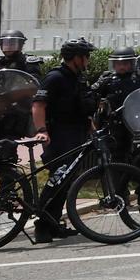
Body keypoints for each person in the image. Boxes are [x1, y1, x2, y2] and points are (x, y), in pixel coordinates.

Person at [31, 38, 94, 242]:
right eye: (86, 56)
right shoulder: (55, 78)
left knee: (65, 182)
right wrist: (42, 130)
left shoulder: (76, 78)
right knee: (57, 178)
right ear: (76, 58)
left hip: (76, 133)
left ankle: (52, 224)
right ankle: (41, 225)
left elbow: (82, 107)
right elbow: (39, 105)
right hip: (59, 135)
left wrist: (92, 130)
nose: (88, 60)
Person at [0, 29, 44, 140]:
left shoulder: (28, 62)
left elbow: (33, 85)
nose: (9, 47)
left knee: (9, 143)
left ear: (21, 45)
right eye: (6, 43)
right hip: (0, 108)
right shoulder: (0, 62)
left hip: (19, 108)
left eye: (12, 43)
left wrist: (12, 95)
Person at [89, 47, 140, 116]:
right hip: (113, 118)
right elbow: (92, 93)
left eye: (125, 64)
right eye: (118, 64)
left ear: (131, 64)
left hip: (137, 117)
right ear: (114, 65)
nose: (122, 67)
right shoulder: (107, 78)